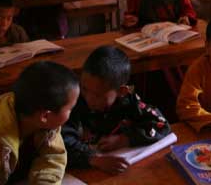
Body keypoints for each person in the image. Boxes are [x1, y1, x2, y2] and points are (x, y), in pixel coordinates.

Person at [62, 46, 171, 174]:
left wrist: (125, 139)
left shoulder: (128, 100)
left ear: (121, 91)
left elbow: (161, 124)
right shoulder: (74, 100)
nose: (89, 99)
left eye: (97, 95)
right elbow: (61, 141)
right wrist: (93, 159)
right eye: (84, 89)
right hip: (80, 170)